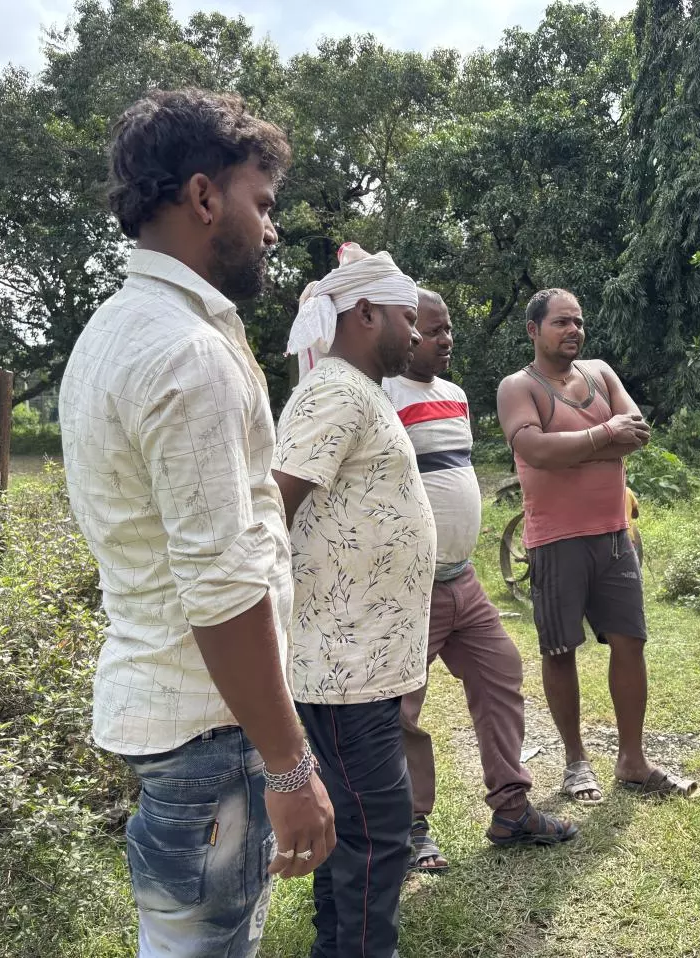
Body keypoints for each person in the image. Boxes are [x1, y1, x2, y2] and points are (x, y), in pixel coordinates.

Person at [59, 89, 334, 958]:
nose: (272, 229)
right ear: (205, 197)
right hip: (213, 736)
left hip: (186, 725)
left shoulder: (116, 330)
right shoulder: (187, 352)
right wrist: (291, 768)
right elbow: (221, 588)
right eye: (263, 203)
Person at [273, 245, 435, 958]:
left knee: (356, 837)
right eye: (407, 317)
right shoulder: (336, 390)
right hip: (342, 670)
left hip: (360, 665)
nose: (417, 331)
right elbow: (273, 509)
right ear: (366, 313)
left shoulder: (357, 389)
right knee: (376, 838)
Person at [383, 289, 578, 873]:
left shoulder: (456, 396)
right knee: (399, 710)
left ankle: (512, 810)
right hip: (407, 587)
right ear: (403, 330)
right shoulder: (378, 394)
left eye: (449, 331)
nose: (445, 341)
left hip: (462, 579)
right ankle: (410, 829)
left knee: (501, 673)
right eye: (432, 331)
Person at [496, 288, 699, 802]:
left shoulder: (601, 372)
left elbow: (638, 434)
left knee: (630, 644)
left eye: (579, 322)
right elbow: (534, 449)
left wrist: (582, 446)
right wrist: (604, 435)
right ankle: (575, 762)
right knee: (560, 649)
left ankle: (632, 760)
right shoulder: (518, 387)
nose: (573, 331)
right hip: (555, 541)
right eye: (561, 322)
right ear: (533, 330)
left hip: (614, 537)